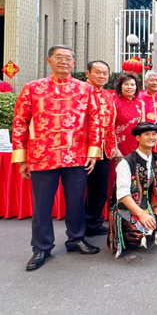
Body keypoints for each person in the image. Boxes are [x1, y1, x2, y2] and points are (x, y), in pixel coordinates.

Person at [12, 45, 102, 271]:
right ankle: (41, 247)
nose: (64, 62)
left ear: (74, 64)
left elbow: (95, 121)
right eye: (58, 58)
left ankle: (76, 239)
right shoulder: (32, 88)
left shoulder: (85, 89)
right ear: (48, 60)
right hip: (42, 156)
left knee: (76, 202)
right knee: (42, 206)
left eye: (68, 59)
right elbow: (20, 123)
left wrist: (93, 153)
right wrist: (22, 158)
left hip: (76, 156)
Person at [108, 121, 157, 258]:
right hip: (129, 206)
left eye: (154, 134)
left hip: (149, 201)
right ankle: (129, 230)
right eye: (146, 134)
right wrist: (141, 214)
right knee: (139, 234)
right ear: (137, 138)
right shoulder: (126, 162)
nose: (151, 137)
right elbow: (123, 194)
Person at [84, 60, 123, 237]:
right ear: (87, 73)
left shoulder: (108, 96)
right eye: (97, 72)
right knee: (78, 192)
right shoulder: (80, 92)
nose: (101, 76)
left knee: (99, 191)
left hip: (104, 151)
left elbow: (111, 126)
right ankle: (78, 229)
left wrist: (113, 146)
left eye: (104, 73)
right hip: (83, 152)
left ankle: (93, 223)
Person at [113, 72, 145, 156]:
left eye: (132, 84)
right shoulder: (114, 103)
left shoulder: (141, 104)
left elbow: (143, 127)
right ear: (120, 86)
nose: (129, 87)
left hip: (136, 143)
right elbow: (110, 127)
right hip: (119, 144)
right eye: (126, 84)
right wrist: (114, 147)